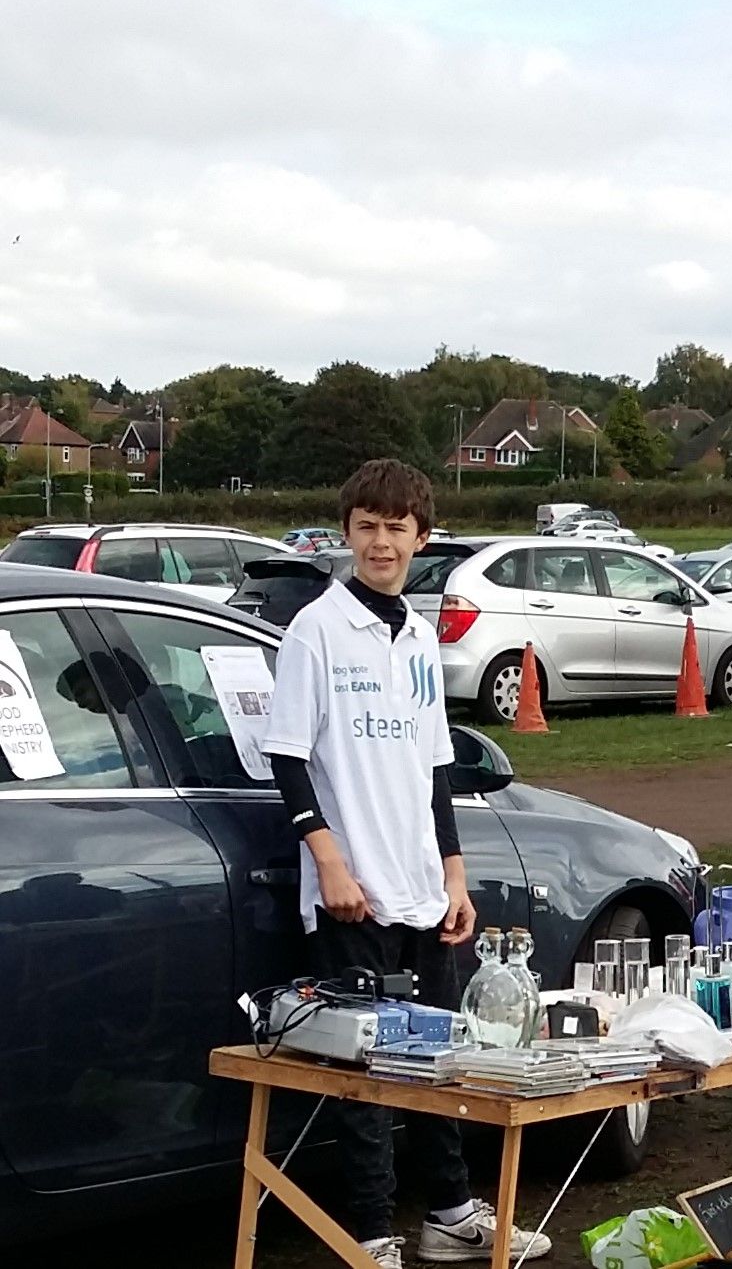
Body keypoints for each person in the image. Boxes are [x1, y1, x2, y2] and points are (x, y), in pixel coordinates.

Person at [259, 460, 554, 1269]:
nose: (381, 541)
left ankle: (451, 1213)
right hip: (353, 896)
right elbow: (287, 759)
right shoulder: (316, 630)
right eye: (367, 526)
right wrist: (331, 865)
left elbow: (435, 772)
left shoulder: (420, 634)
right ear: (346, 532)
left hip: (424, 891)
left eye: (396, 528)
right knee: (368, 1076)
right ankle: (370, 1235)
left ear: (420, 538)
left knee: (439, 1063)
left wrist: (452, 877)